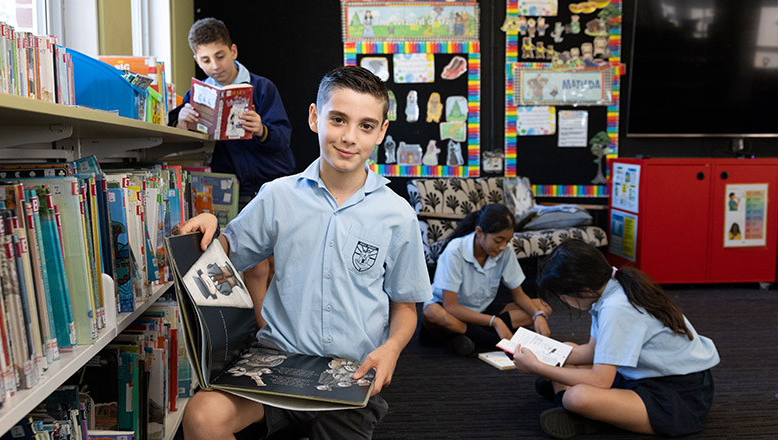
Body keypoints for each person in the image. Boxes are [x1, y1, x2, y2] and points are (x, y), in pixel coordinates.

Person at [177, 65, 432, 440]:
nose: (349, 137)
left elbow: (405, 307)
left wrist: (392, 348)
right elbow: (226, 253)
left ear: (381, 132)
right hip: (276, 366)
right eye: (338, 119)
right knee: (202, 416)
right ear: (315, 117)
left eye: (365, 126)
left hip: (351, 376)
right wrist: (210, 230)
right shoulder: (278, 196)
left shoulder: (397, 215)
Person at [515, 240, 719, 439]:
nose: (562, 302)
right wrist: (543, 356)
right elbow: (592, 351)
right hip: (641, 374)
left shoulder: (616, 308)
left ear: (583, 290)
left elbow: (600, 380)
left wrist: (538, 367)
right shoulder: (610, 287)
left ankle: (571, 408)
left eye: (562, 297)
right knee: (565, 350)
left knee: (575, 396)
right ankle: (574, 412)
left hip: (678, 395)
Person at [168, 17, 294, 328]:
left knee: (273, 258)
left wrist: (261, 129)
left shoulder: (262, 89)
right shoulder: (197, 96)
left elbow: (283, 138)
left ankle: (271, 323)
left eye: (220, 56)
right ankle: (255, 326)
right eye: (205, 59)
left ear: (233, 50)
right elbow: (179, 144)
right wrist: (181, 124)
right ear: (197, 59)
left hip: (268, 182)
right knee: (246, 257)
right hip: (230, 187)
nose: (214, 66)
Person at [421, 203, 552, 356]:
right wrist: (495, 322)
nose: (503, 246)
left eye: (507, 241)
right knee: (432, 312)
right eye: (498, 240)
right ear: (479, 232)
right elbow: (451, 306)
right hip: (451, 312)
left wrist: (538, 316)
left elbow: (519, 294)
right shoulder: (455, 251)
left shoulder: (505, 251)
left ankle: (466, 336)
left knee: (543, 307)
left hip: (482, 311)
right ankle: (490, 339)